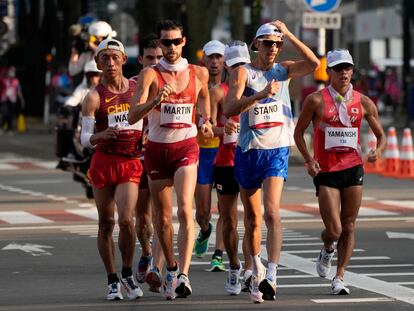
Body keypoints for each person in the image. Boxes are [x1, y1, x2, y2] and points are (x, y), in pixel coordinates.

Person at [225, 21, 320, 303]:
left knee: (272, 213)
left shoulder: (285, 69)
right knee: (253, 220)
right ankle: (256, 268)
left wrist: (288, 33)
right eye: (268, 43)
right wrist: (259, 96)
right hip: (248, 151)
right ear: (256, 44)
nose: (273, 49)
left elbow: (315, 63)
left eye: (277, 44)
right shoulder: (243, 73)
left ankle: (272, 276)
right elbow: (229, 108)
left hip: (277, 150)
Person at [128, 19, 213, 300]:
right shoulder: (150, 75)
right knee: (162, 219)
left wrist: (206, 121)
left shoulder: (198, 72)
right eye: (166, 42)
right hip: (156, 150)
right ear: (160, 44)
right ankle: (171, 269)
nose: (171, 47)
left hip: (186, 147)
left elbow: (204, 103)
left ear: (184, 42)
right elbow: (132, 115)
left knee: (184, 210)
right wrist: (155, 101)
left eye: (176, 41)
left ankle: (184, 274)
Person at [294, 49, 385, 295]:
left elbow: (380, 135)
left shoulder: (363, 101)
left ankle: (340, 276)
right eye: (338, 68)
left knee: (349, 225)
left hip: (353, 167)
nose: (344, 72)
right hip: (326, 170)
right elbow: (298, 133)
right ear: (329, 72)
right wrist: (309, 159)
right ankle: (327, 249)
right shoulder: (315, 100)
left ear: (352, 71)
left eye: (347, 68)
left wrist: (377, 150)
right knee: (334, 230)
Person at [80, 38, 144, 301]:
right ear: (97, 63)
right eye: (104, 58)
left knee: (127, 220)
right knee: (106, 223)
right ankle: (111, 280)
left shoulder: (137, 88)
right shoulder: (93, 97)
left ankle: (127, 273)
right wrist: (102, 134)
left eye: (115, 57)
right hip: (104, 162)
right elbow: (84, 139)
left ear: (123, 59)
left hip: (130, 161)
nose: (110, 63)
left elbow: (151, 115)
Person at [211, 40, 251, 295]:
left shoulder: (257, 89)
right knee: (228, 220)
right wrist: (220, 129)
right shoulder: (218, 92)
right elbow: (203, 128)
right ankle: (234, 266)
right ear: (226, 65)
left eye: (242, 64)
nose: (238, 69)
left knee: (253, 218)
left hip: (250, 159)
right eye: (234, 64)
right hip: (225, 162)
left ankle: (250, 269)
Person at [131, 33, 165, 293]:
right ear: (141, 59)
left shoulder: (172, 82)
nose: (155, 62)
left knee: (162, 214)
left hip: (162, 154)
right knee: (141, 217)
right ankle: (145, 252)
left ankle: (156, 266)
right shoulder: (132, 85)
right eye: (150, 58)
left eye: (160, 58)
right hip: (135, 158)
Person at [194, 40, 225, 272]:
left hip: (224, 151)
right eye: (210, 57)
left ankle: (218, 255)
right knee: (202, 212)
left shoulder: (232, 88)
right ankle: (205, 231)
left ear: (225, 61)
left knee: (226, 209)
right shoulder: (193, 87)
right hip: (200, 152)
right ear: (203, 60)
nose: (214, 62)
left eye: (218, 57)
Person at [0, 66, 26, 133]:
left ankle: (10, 128)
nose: (12, 73)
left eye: (13, 72)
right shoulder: (4, 80)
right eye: (10, 72)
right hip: (4, 99)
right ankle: (2, 127)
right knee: (5, 113)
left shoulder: (16, 81)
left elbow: (19, 91)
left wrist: (22, 99)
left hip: (13, 99)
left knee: (11, 114)